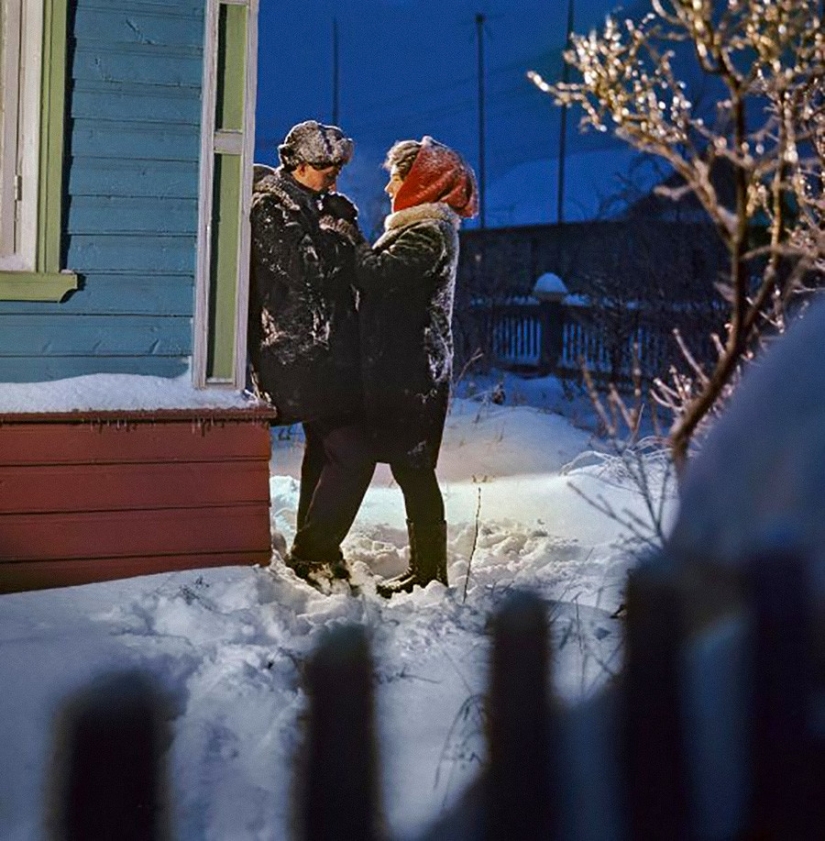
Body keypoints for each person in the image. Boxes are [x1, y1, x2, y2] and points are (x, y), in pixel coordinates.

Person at [248, 120, 375, 587]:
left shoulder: (318, 206)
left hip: (328, 353)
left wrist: (341, 227)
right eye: (324, 166)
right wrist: (338, 231)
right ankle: (314, 550)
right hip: (295, 353)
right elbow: (309, 270)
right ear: (296, 165)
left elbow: (357, 269)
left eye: (337, 166)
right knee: (355, 450)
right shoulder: (272, 207)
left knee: (326, 451)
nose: (333, 175)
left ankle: (313, 548)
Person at [350, 136, 478, 596]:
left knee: (415, 470)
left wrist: (351, 243)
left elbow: (382, 279)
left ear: (420, 182)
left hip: (415, 373)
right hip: (408, 369)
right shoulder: (419, 229)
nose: (389, 187)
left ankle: (430, 574)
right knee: (411, 470)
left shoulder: (427, 232)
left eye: (396, 177)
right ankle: (425, 570)